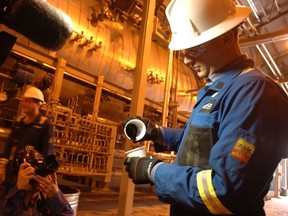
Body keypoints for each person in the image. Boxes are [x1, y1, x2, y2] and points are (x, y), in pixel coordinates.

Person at [123, 0, 288, 215]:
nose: (187, 59)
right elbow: (203, 141)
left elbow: (224, 192)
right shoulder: (222, 87)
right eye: (185, 51)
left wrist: (155, 171)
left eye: (194, 49)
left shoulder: (254, 92)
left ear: (227, 37)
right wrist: (157, 133)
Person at [0, 86, 54, 186]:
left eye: (28, 102)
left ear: (38, 104)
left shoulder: (45, 125)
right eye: (24, 101)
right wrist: (2, 165)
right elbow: (9, 144)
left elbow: (47, 152)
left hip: (30, 175)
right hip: (14, 172)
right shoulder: (20, 122)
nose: (24, 104)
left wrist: (39, 175)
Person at [0, 147, 74, 216]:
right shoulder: (6, 203)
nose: (39, 176)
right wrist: (19, 192)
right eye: (30, 170)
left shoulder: (46, 204)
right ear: (18, 176)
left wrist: (56, 197)